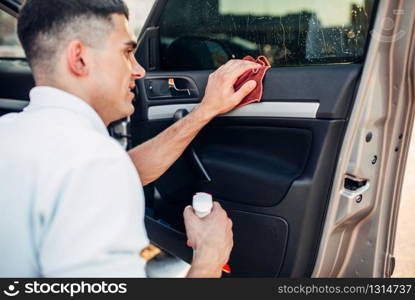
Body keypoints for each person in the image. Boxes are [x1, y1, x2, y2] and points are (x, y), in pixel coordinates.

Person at [0, 0, 259, 278]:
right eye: (126, 53)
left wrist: (204, 111)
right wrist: (209, 256)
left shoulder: (11, 134)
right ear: (79, 58)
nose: (139, 71)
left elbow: (116, 174)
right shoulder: (95, 162)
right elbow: (102, 173)